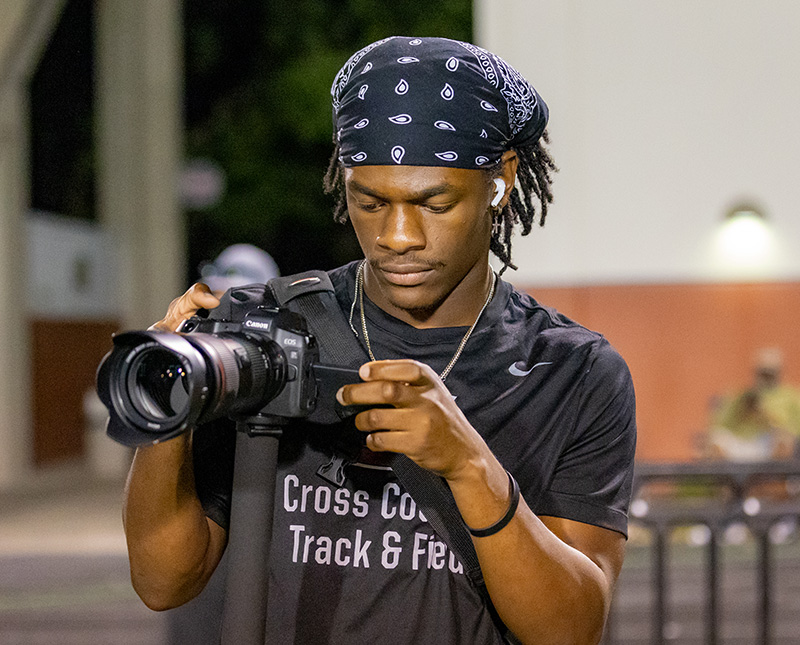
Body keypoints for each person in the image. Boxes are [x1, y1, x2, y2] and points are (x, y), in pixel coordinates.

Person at [123, 36, 636, 644]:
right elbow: (162, 583)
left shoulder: (572, 370)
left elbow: (573, 629)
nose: (397, 236)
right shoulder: (268, 332)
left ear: (500, 180)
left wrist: (469, 465)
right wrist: (168, 400)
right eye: (369, 202)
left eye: (434, 204)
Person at [707, 347, 800, 462]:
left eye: (770, 373)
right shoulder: (742, 395)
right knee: (716, 440)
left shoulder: (791, 397)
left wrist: (767, 419)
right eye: (763, 372)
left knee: (783, 440)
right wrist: (741, 413)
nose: (765, 377)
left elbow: (795, 430)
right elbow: (719, 425)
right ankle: (726, 473)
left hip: (768, 445)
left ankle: (774, 473)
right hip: (741, 443)